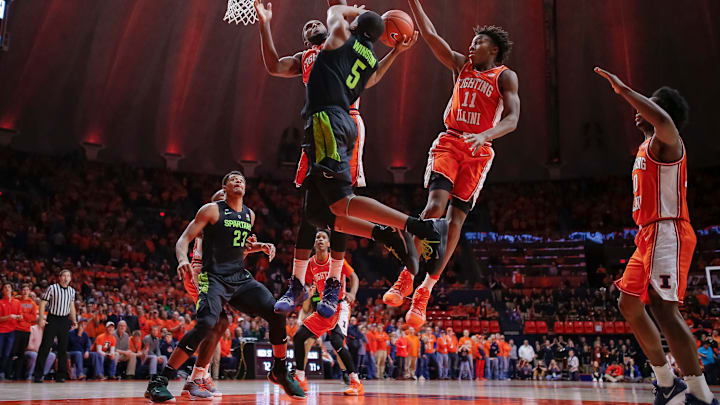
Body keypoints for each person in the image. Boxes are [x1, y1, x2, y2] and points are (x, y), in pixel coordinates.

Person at [269, 3, 448, 320]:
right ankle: (383, 234)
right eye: (308, 26)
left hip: (336, 122)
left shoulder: (339, 40)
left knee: (341, 202)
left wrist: (345, 9)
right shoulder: (351, 51)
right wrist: (393, 49)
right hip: (322, 126)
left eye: (316, 23)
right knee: (315, 213)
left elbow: (335, 11)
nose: (313, 24)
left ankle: (409, 228)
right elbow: (374, 74)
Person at [384, 0, 520, 330]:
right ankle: (407, 275)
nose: (472, 45)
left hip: (480, 149)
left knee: (456, 220)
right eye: (472, 41)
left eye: (480, 42)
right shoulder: (461, 66)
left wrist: (486, 133)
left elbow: (513, 119)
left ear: (496, 49)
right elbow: (430, 36)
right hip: (451, 142)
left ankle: (425, 292)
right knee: (434, 206)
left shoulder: (505, 77)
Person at [596, 67, 717, 405]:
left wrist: (624, 91)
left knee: (665, 310)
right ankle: (667, 384)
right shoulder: (646, 146)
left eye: (646, 105)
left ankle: (702, 395)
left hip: (669, 228)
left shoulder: (669, 140)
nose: (639, 111)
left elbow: (664, 120)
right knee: (628, 303)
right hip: (647, 234)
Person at [144, 171, 303, 402]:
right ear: (224, 188)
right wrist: (182, 260)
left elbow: (234, 249)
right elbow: (183, 240)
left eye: (242, 179)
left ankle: (279, 370)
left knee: (277, 310)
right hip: (213, 278)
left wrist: (258, 246)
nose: (238, 181)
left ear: (245, 189)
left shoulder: (249, 215)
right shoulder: (211, 210)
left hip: (239, 277)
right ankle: (160, 381)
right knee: (209, 323)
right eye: (232, 179)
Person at [292, 230, 364, 395]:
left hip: (340, 306)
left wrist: (352, 293)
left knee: (337, 341)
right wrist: (306, 292)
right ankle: (300, 378)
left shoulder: (337, 261)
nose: (320, 239)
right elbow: (308, 283)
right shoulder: (311, 263)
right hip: (324, 307)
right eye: (317, 237)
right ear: (314, 243)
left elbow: (355, 278)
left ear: (330, 243)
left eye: (324, 237)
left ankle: (356, 382)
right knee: (298, 337)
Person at [177, 189, 230, 398]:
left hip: (213, 278)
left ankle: (201, 374)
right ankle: (193, 377)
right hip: (198, 275)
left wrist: (258, 247)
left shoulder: (228, 224)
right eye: (221, 200)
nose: (226, 203)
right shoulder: (207, 220)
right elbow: (191, 236)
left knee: (221, 323)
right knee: (214, 322)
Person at [34, 269, 77, 383]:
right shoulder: (52, 288)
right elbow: (43, 303)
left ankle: (61, 375)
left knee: (63, 349)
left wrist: (74, 320)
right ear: (59, 277)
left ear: (70, 278)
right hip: (52, 319)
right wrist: (41, 318)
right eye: (64, 276)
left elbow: (71, 306)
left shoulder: (72, 291)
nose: (66, 278)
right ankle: (38, 375)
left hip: (64, 320)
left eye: (68, 276)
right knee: (45, 347)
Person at [11, 284, 36, 380]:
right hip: (15, 329)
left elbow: (33, 318)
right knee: (12, 352)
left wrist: (23, 315)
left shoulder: (32, 303)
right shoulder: (16, 301)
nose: (25, 292)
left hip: (26, 331)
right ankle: (8, 373)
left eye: (27, 290)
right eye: (24, 290)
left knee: (21, 354)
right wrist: (25, 316)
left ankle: (18, 375)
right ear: (21, 291)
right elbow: (14, 313)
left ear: (29, 292)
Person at [0, 283, 21, 380]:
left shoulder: (17, 302)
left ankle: (3, 372)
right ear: (2, 291)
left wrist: (20, 317)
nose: (7, 289)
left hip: (12, 331)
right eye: (5, 287)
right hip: (1, 331)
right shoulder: (0, 302)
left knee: (7, 353)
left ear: (12, 290)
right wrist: (9, 317)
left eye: (9, 287)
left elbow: (20, 316)